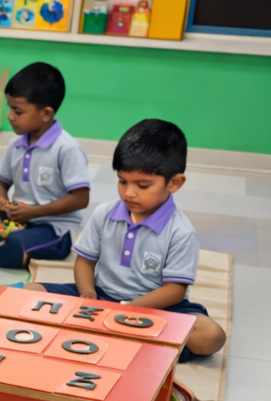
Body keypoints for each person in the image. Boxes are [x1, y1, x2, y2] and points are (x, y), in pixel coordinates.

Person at [24, 119, 225, 359]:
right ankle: (128, 340)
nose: (129, 193)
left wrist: (129, 310)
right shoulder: (104, 213)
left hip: (155, 308)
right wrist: (88, 296)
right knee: (28, 292)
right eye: (122, 181)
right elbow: (85, 262)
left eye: (142, 185)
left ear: (175, 182)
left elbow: (174, 291)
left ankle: (114, 336)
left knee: (211, 336)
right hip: (101, 296)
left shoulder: (181, 232)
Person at [0, 62, 90, 269]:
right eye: (9, 107)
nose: (9, 116)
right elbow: (0, 184)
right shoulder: (16, 145)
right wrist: (2, 200)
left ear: (46, 113)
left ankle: (3, 249)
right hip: (19, 220)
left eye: (17, 111)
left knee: (18, 242)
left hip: (54, 227)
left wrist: (35, 212)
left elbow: (81, 198)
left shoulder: (67, 149)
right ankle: (5, 246)